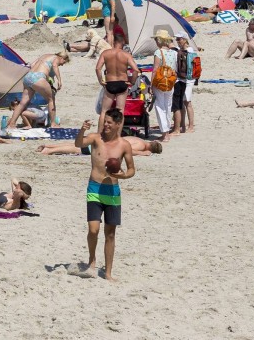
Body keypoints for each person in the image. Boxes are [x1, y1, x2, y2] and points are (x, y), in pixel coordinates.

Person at [73, 109, 136, 281]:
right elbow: (78, 144)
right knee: (93, 230)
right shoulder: (95, 138)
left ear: (117, 124)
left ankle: (108, 272)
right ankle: (92, 260)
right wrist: (82, 130)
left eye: (109, 123)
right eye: (105, 121)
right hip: (94, 188)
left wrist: (122, 176)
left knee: (110, 233)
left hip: (113, 192)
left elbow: (131, 169)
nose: (106, 125)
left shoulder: (124, 145)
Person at [5, 51, 69, 130]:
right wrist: (59, 80)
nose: (62, 64)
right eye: (63, 62)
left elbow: (32, 65)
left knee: (22, 103)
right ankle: (53, 123)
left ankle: (12, 124)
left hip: (28, 77)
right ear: (62, 58)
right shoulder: (55, 58)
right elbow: (55, 65)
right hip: (38, 77)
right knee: (51, 99)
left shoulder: (44, 55)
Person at [95, 44, 140, 117]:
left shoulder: (105, 53)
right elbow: (135, 70)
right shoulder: (126, 54)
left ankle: (101, 128)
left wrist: (101, 81)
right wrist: (132, 82)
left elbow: (98, 69)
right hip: (122, 82)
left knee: (104, 111)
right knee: (120, 110)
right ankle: (119, 128)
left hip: (110, 82)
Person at [171, 34, 197, 135]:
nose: (177, 41)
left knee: (187, 102)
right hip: (181, 79)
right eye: (176, 39)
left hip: (189, 80)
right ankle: (181, 125)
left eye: (179, 39)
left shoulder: (190, 51)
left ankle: (191, 126)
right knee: (181, 102)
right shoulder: (178, 49)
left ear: (185, 40)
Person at [38, 136, 162, 156]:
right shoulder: (141, 145)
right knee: (76, 148)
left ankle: (48, 146)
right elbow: (129, 151)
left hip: (105, 140)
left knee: (75, 144)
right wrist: (143, 153)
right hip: (105, 147)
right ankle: (48, 151)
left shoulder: (139, 139)